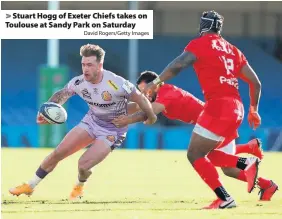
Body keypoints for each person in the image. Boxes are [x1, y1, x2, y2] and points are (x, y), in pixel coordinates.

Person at [142, 10, 265, 209]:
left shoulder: (199, 44)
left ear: (203, 27)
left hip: (217, 107)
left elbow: (179, 64)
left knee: (195, 154)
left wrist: (156, 81)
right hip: (237, 108)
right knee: (210, 154)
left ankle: (232, 187)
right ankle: (246, 171)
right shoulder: (233, 50)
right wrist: (254, 109)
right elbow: (256, 83)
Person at [9, 44, 157, 200]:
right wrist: (46, 111)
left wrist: (151, 116)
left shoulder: (117, 83)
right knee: (58, 153)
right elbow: (62, 94)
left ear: (100, 65)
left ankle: (79, 185)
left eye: (90, 65)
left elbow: (140, 99)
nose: (85, 69)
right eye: (83, 65)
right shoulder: (79, 83)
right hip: (91, 122)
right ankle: (30, 185)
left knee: (83, 165)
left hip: (112, 131)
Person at [112, 70, 278, 203]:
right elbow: (141, 105)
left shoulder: (167, 92)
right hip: (214, 126)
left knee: (203, 157)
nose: (145, 95)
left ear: (157, 84)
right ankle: (265, 183)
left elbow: (150, 111)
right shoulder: (160, 94)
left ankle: (240, 173)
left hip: (215, 125)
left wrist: (127, 119)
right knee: (226, 169)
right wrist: (115, 108)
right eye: (142, 92)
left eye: (146, 90)